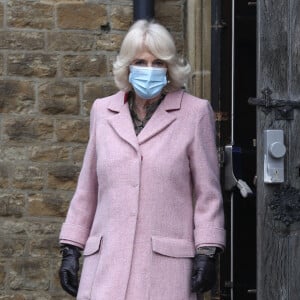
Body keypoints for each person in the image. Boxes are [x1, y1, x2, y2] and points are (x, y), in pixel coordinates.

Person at [58, 20, 226, 300]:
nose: (149, 70)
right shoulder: (103, 111)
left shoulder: (194, 114)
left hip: (164, 269)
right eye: (140, 61)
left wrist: (207, 250)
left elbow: (208, 193)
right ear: (127, 66)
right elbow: (87, 188)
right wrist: (71, 249)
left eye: (158, 62)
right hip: (106, 268)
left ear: (169, 68)